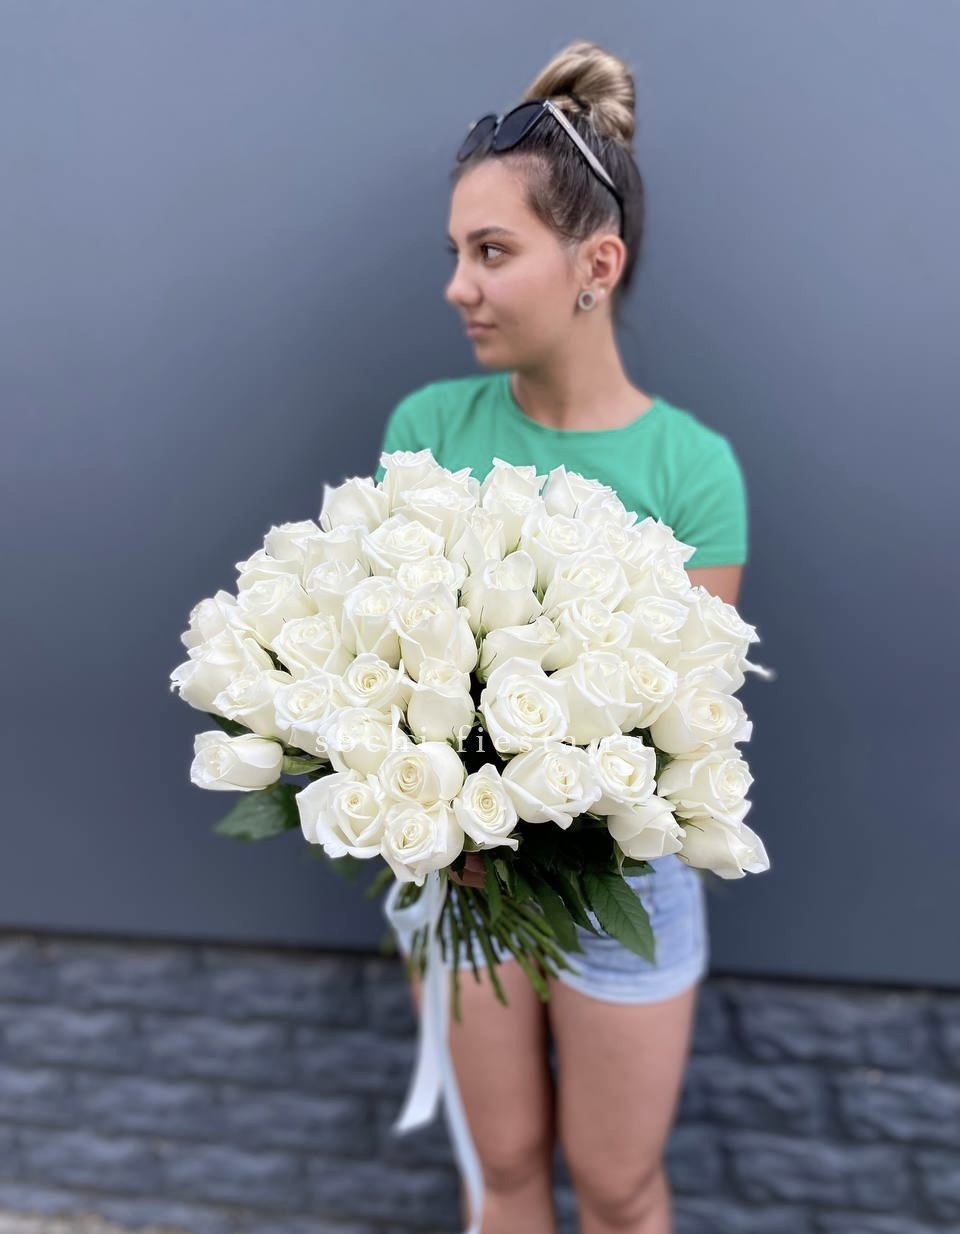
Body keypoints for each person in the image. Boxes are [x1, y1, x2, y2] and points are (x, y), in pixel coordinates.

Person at [374, 39, 749, 1234]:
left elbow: (682, 722)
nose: (459, 286)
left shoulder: (692, 469)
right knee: (505, 1169)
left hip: (625, 874)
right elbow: (394, 665)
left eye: (492, 252)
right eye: (455, 254)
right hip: (458, 865)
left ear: (597, 264)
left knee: (620, 1184)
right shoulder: (428, 429)